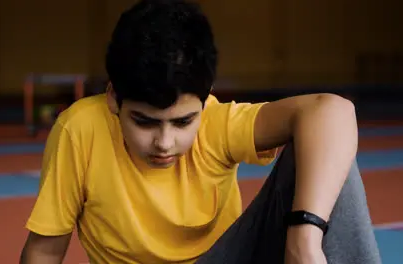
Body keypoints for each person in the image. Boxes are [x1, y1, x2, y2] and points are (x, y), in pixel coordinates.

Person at [19, 0, 381, 263]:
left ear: (205, 100)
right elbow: (45, 249)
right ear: (114, 98)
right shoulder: (79, 129)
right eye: (144, 122)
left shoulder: (216, 122)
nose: (164, 143)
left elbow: (333, 110)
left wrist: (304, 238)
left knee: (326, 156)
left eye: (182, 122)